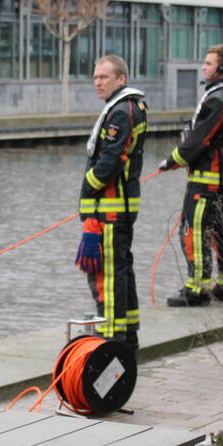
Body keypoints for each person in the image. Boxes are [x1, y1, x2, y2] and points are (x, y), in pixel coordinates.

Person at [158, 44, 223, 307]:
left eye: (208, 63)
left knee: (194, 230)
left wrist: (172, 160)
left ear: (222, 68)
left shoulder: (218, 99)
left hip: (208, 177)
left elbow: (200, 138)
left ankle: (196, 290)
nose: (203, 67)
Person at [75, 55, 147, 347]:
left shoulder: (121, 111)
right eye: (95, 77)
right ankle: (127, 331)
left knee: (108, 274)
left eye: (104, 77)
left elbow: (110, 160)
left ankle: (113, 334)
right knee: (121, 269)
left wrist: (86, 189)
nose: (97, 83)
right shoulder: (128, 107)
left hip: (111, 209)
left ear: (121, 79)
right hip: (116, 207)